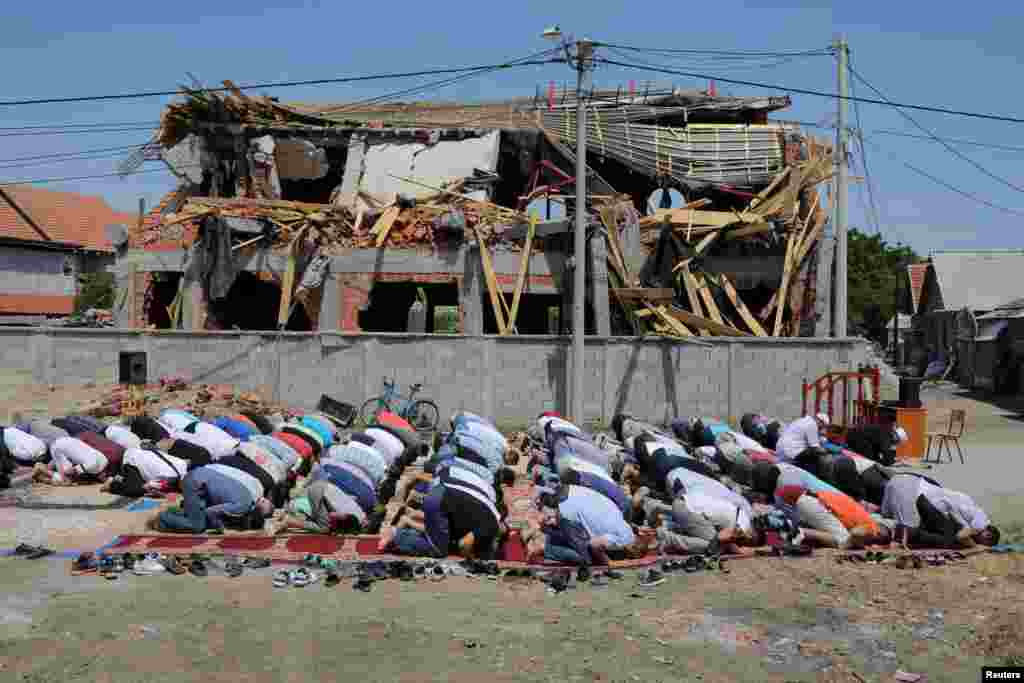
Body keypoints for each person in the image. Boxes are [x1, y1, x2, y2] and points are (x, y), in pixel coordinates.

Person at [380, 467, 507, 560]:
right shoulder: (492, 525)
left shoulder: (487, 509)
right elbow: (464, 544)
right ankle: (396, 536)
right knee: (438, 549)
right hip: (441, 501)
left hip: (442, 489)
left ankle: (401, 529)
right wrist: (471, 559)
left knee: (438, 535)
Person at [526, 485, 645, 566]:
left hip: (572, 491)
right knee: (586, 558)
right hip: (569, 508)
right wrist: (609, 563)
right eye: (631, 556)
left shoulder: (627, 528)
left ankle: (546, 529)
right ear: (632, 549)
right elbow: (593, 545)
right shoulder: (622, 541)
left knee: (579, 535)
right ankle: (544, 548)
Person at [881, 474, 1000, 549]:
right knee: (904, 534)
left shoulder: (970, 508)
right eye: (983, 543)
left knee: (886, 520)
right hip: (911, 491)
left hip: (902, 480)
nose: (980, 542)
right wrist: (975, 547)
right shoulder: (981, 523)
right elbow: (961, 536)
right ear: (988, 534)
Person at [157, 465, 273, 534]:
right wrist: (220, 527)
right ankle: (164, 517)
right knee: (198, 526)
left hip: (201, 477)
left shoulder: (249, 496)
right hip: (194, 483)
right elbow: (209, 512)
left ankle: (172, 513)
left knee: (199, 516)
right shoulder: (242, 507)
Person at [274, 479, 366, 535]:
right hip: (318, 492)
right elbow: (332, 515)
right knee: (324, 528)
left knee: (323, 521)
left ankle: (286, 516)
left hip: (323, 486)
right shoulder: (346, 515)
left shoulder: (360, 515)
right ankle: (289, 521)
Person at [102, 446, 188, 497]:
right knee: (137, 490)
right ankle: (111, 486)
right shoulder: (168, 478)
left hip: (137, 451)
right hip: (132, 462)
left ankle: (119, 478)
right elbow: (147, 487)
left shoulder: (182, 464)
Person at [33, 436, 109, 485]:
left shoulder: (104, 460)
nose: (102, 481)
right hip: (59, 448)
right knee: (66, 481)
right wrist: (74, 480)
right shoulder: (93, 467)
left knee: (62, 472)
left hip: (68, 442)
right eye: (103, 480)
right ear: (104, 474)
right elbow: (69, 471)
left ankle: (44, 472)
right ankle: (40, 467)